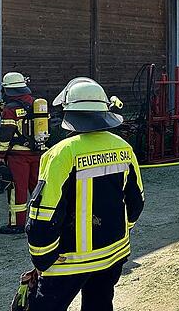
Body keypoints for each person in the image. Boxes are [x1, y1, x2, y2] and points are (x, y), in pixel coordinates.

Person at [26, 79, 144, 311]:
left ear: (70, 113)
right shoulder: (123, 147)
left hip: (69, 261)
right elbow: (136, 202)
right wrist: (120, 231)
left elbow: (44, 214)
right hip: (112, 254)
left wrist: (42, 258)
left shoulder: (61, 153)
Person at [0, 72, 43, 235]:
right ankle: (40, 220)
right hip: (37, 153)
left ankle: (17, 224)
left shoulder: (11, 109)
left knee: (17, 189)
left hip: (17, 156)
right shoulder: (36, 103)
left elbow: (5, 135)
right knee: (37, 188)